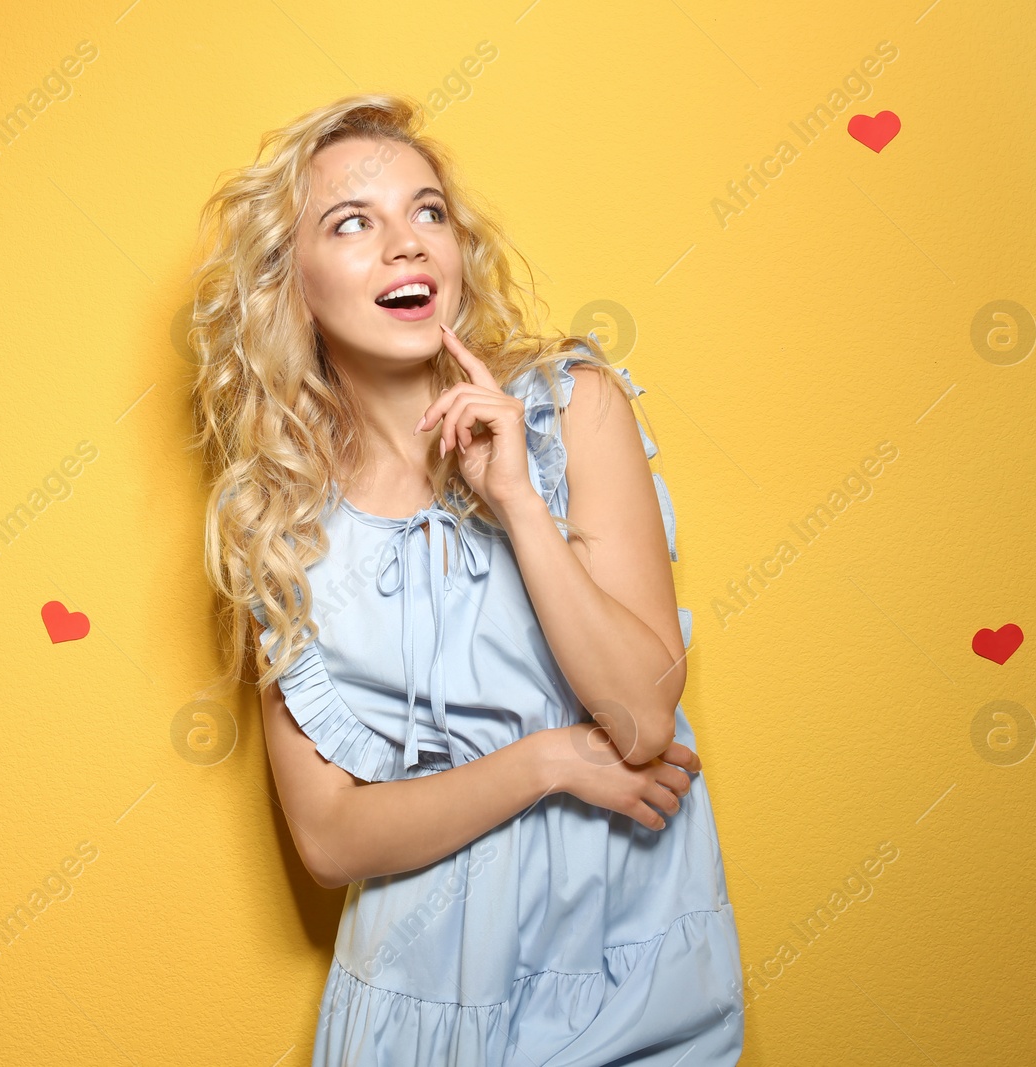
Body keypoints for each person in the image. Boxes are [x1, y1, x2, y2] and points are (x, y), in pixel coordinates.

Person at [188, 93, 744, 1066]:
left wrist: (520, 502)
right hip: (414, 1009)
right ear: (291, 282)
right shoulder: (276, 522)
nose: (406, 243)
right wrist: (547, 764)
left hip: (626, 984)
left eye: (427, 211)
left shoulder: (572, 411)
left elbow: (643, 718)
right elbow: (328, 839)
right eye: (352, 222)